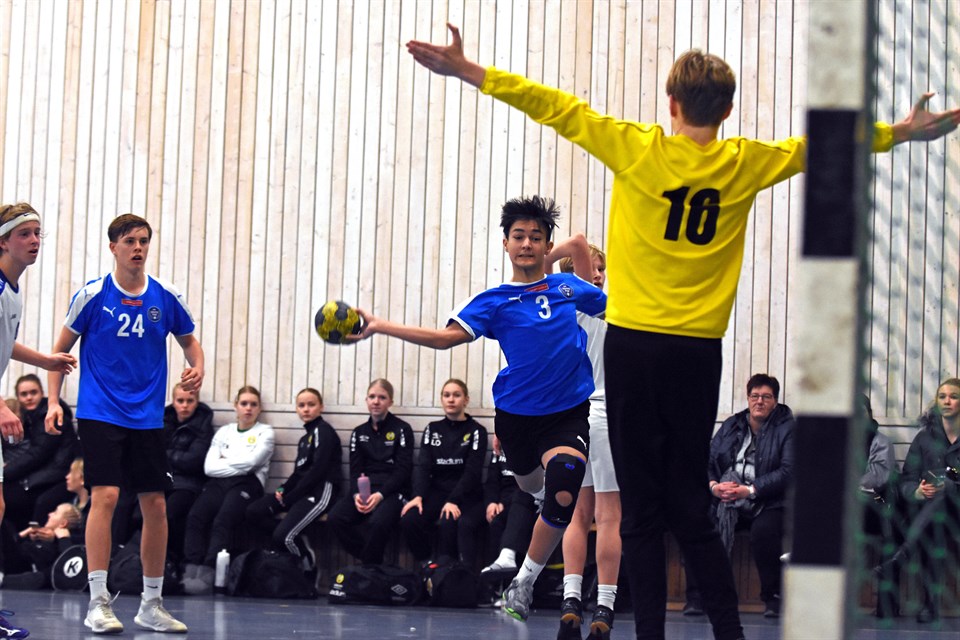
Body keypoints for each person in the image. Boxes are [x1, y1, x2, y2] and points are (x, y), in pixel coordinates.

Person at [405, 24, 960, 640]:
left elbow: (554, 106)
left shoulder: (636, 148)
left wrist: (468, 69)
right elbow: (823, 146)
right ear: (727, 110)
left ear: (671, 104)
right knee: (690, 509)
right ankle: (729, 633)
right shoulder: (743, 161)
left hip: (634, 348)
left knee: (640, 513)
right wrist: (901, 131)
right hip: (696, 355)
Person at [352, 197, 603, 623]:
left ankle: (523, 581)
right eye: (519, 236)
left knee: (564, 485)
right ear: (506, 244)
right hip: (518, 419)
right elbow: (443, 338)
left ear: (548, 246)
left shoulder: (569, 288)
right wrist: (379, 326)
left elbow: (621, 311)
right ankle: (541, 500)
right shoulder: (494, 300)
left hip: (569, 412)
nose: (527, 243)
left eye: (536, 237)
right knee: (532, 488)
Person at [45, 213, 202, 634]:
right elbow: (59, 354)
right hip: (99, 411)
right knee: (107, 496)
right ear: (113, 247)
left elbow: (190, 344)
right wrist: (53, 401)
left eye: (144, 241)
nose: (138, 248)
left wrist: (197, 367)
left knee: (156, 504)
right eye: (130, 241)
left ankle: (152, 604)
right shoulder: (93, 295)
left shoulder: (166, 296)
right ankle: (98, 601)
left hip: (147, 417)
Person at [0, 202, 78, 639]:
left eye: (37, 233)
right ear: (3, 242)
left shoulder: (12, 290)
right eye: (24, 234)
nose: (34, 241)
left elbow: (3, 343)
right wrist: (1, 405)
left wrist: (44, 359)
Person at [552, 244, 621, 640]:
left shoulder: (557, 312)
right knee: (608, 516)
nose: (598, 275)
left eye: (601, 269)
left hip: (574, 417)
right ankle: (604, 606)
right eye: (592, 268)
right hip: (603, 413)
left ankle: (571, 600)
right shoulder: (605, 307)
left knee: (578, 514)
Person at [684, 374, 794, 619]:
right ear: (748, 398)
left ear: (775, 401)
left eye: (766, 397)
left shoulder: (787, 428)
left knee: (764, 532)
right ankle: (697, 597)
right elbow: (707, 461)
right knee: (698, 524)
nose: (759, 401)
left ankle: (773, 599)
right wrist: (714, 486)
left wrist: (751, 490)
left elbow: (788, 471)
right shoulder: (732, 425)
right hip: (727, 498)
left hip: (768, 501)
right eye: (755, 396)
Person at [181, 385, 274, 594]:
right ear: (236, 406)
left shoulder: (265, 432)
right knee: (196, 515)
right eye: (244, 403)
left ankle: (210, 573)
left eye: (253, 404)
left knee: (223, 520)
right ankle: (191, 569)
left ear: (259, 409)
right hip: (218, 482)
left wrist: (225, 459)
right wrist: (238, 462)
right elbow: (209, 467)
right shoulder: (225, 432)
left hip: (248, 484)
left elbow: (252, 464)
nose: (248, 408)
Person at [244, 387, 341, 567]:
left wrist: (291, 497)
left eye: (311, 405)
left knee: (283, 537)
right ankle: (297, 538)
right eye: (301, 405)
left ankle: (307, 569)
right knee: (254, 512)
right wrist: (283, 489)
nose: (306, 409)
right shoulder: (304, 439)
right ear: (296, 409)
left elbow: (318, 471)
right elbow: (298, 473)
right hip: (300, 493)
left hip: (320, 493)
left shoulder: (324, 431)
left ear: (321, 407)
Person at [890, 378, 960, 623]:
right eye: (942, 396)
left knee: (943, 495)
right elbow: (907, 478)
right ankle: (930, 603)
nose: (947, 401)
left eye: (954, 396)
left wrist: (950, 484)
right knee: (935, 523)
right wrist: (916, 492)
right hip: (931, 511)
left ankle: (904, 558)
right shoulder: (924, 438)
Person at [400, 379, 487, 567]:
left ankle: (448, 570)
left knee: (449, 520)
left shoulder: (477, 431)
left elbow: (472, 472)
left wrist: (453, 500)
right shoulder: (432, 429)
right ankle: (427, 563)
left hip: (465, 494)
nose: (451, 399)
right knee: (409, 519)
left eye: (456, 395)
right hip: (437, 491)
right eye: (446, 395)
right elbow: (424, 467)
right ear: (441, 399)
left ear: (466, 400)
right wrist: (418, 496)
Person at [326, 379, 414, 565]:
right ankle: (374, 563)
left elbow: (403, 471)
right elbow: (355, 471)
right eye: (372, 397)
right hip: (366, 491)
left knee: (377, 522)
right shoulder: (359, 432)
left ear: (390, 402)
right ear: (366, 400)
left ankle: (369, 568)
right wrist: (357, 495)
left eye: (382, 397)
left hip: (393, 492)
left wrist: (380, 495)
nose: (376, 401)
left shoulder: (402, 429)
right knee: (335, 518)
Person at [2, 374, 77, 530]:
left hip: (57, 476)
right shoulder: (33, 418)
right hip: (45, 474)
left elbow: (38, 454)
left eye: (33, 392)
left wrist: (5, 472)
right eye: (24, 394)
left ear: (42, 393)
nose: (29, 398)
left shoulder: (49, 416)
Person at [162, 382, 214, 558]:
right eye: (180, 401)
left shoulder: (203, 426)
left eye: (190, 401)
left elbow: (194, 461)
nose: (185, 405)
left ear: (197, 402)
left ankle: (172, 559)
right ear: (173, 401)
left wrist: (166, 455)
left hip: (189, 483)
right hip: (162, 480)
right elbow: (150, 453)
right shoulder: (162, 422)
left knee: (171, 513)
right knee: (137, 511)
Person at [481, 434, 538, 574]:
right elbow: (492, 480)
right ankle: (495, 582)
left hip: (530, 499)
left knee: (521, 501)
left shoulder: (534, 445)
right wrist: (492, 502)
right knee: (496, 522)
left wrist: (504, 502)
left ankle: (509, 559)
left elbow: (530, 484)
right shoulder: (502, 444)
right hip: (505, 502)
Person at [1, 503, 82, 589]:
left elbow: (66, 565)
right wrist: (22, 535)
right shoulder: (38, 538)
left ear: (63, 523)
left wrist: (63, 539)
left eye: (55, 512)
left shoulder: (65, 543)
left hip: (24, 570)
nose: (49, 514)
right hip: (14, 562)